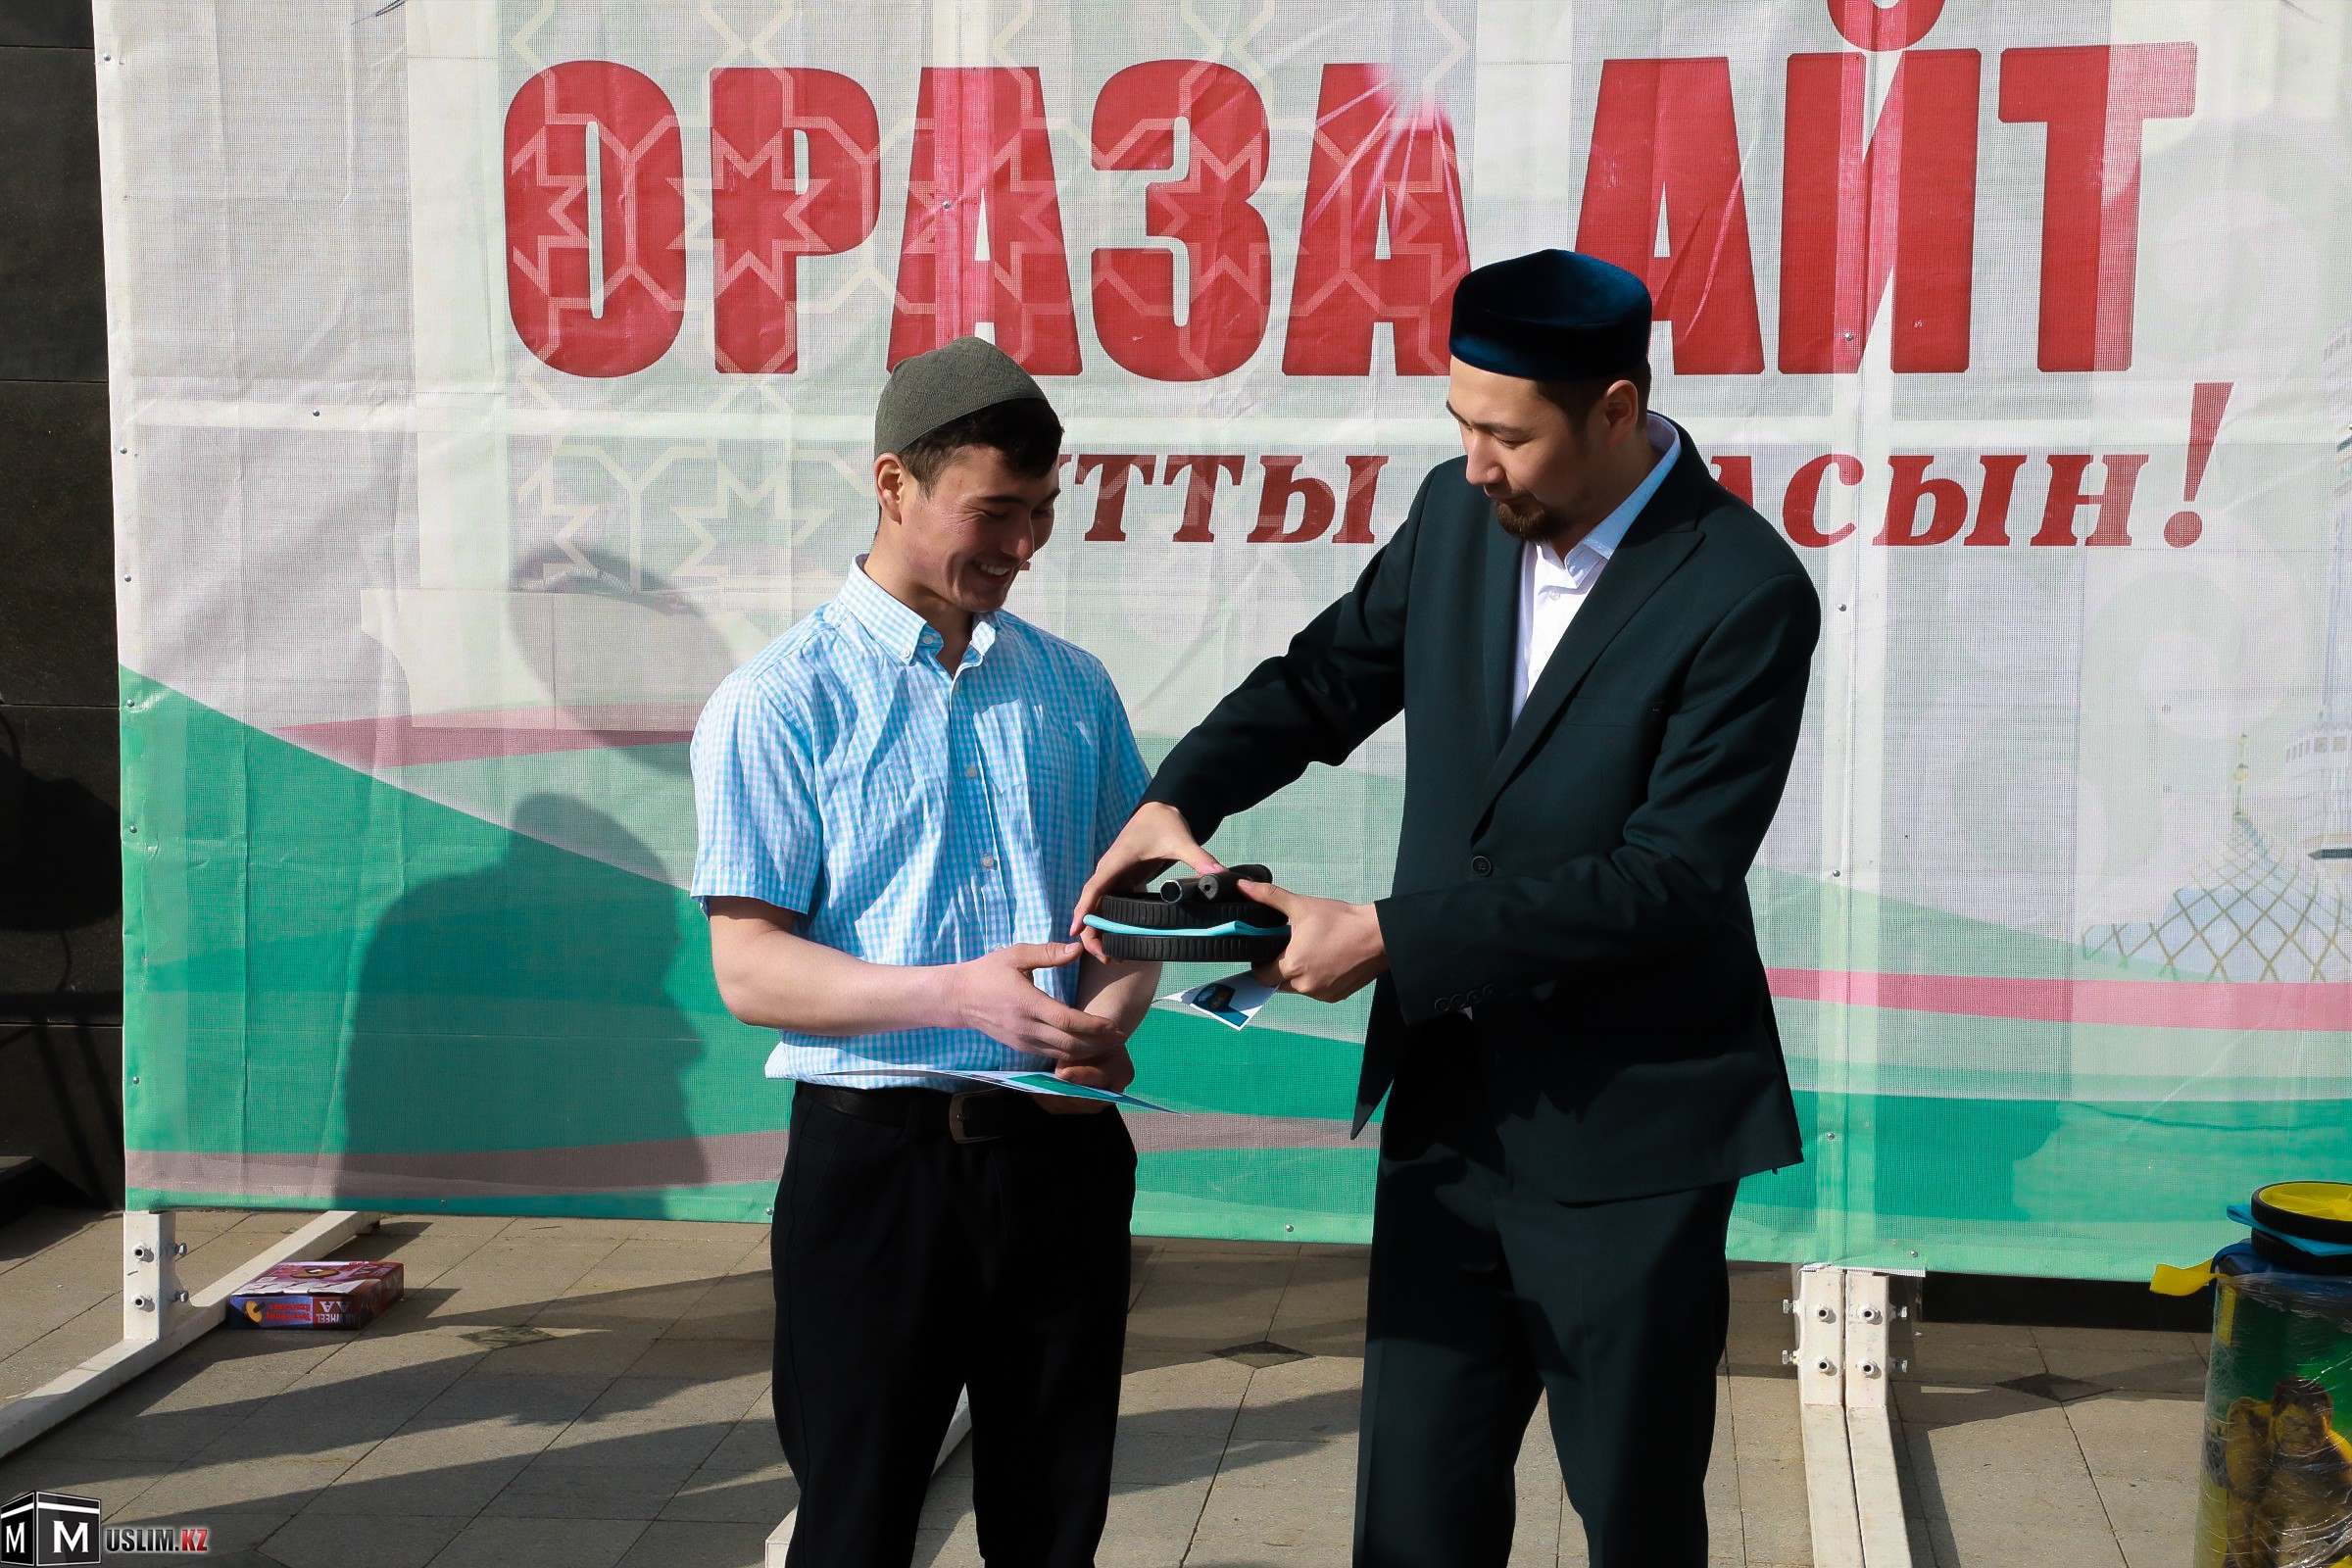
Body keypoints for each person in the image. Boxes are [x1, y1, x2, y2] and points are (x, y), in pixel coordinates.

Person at [1075, 250, 1819, 1568]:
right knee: (1412, 1522)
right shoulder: (1457, 514)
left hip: (1629, 1140)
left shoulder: (1744, 589)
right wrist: (1177, 797)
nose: (1476, 463)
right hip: (1446, 1121)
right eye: (1460, 424)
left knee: (1635, 1518)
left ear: (1616, 408)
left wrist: (1390, 937)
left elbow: (1669, 879)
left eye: (1508, 435)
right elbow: (1324, 680)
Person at [692, 335, 1161, 1568]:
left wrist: (1107, 1018)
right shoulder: (780, 700)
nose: (1024, 545)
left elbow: (1127, 912)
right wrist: (957, 994)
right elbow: (750, 969)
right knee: (853, 1521)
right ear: (894, 483)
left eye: (1043, 511)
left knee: (1054, 1521)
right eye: (994, 512)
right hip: (878, 1170)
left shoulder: (1073, 689)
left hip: (1062, 1159)